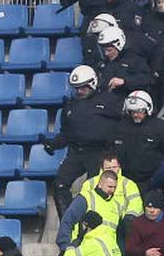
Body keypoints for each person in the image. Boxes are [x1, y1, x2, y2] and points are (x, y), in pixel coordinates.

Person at [46, 65, 120, 219]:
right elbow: (66, 133)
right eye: (77, 88)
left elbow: (123, 125)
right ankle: (68, 222)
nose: (79, 91)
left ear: (92, 83)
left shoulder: (109, 100)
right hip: (76, 152)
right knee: (59, 184)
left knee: (93, 189)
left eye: (83, 88)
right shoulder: (70, 106)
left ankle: (93, 222)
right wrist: (53, 144)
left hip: (100, 153)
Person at [57, 155, 144, 252]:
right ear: (102, 168)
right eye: (108, 168)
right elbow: (72, 216)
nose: (112, 170)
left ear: (119, 166)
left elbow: (135, 204)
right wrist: (66, 245)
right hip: (89, 237)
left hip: (118, 231)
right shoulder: (89, 184)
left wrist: (128, 219)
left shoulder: (128, 184)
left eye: (114, 167)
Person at [112, 92, 164, 192]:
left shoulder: (160, 127)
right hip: (125, 180)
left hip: (151, 181)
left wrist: (158, 176)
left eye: (139, 111)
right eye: (132, 112)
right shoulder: (121, 126)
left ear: (147, 109)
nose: (136, 115)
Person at [95, 27, 156, 101]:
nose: (106, 53)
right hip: (106, 103)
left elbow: (148, 79)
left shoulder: (133, 59)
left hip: (128, 101)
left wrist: (124, 81)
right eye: (103, 50)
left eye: (109, 50)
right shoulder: (103, 63)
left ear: (118, 45)